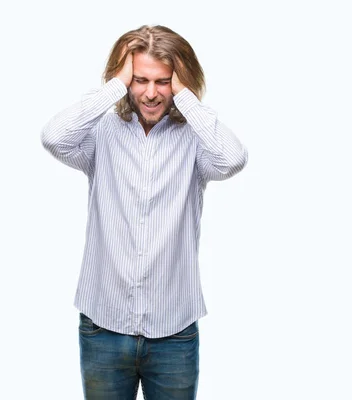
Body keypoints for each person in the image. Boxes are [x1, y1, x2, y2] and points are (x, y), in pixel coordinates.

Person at [41, 24, 248, 399]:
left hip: (174, 333)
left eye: (164, 81)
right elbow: (54, 136)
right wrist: (115, 86)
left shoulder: (198, 143)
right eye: (139, 80)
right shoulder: (101, 134)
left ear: (180, 81)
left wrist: (185, 96)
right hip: (103, 326)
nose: (151, 93)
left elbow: (233, 160)